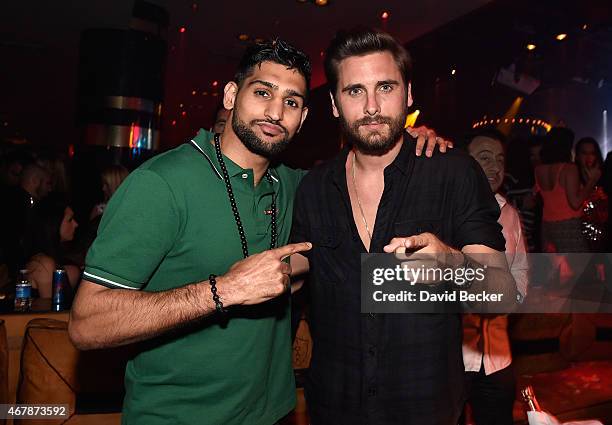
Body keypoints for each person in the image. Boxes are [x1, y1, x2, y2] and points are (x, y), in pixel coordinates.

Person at [69, 37, 447, 425]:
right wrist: (225, 290)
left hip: (275, 414)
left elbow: (362, 172)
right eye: (262, 91)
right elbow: (87, 323)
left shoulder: (301, 188)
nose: (274, 111)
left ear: (302, 118)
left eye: (292, 102)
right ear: (232, 95)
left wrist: (404, 138)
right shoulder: (162, 184)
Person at [289, 27, 518, 425]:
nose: (372, 106)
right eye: (355, 91)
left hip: (425, 407)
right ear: (334, 103)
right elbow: (296, 272)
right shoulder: (313, 189)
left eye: (386, 87)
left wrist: (450, 264)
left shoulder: (453, 173)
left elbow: (502, 293)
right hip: (334, 406)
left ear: (409, 94)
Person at [462, 129, 528, 425]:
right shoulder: (445, 209)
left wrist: (511, 298)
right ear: (464, 162)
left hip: (498, 357)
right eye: (484, 158)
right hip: (451, 358)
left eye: (500, 160)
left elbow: (521, 271)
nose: (495, 167)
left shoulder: (510, 214)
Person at [535, 127, 597, 252]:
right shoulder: (569, 169)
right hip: (569, 227)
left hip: (547, 227)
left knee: (556, 269)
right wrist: (592, 181)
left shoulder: (538, 169)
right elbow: (575, 203)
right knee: (580, 268)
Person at [23, 195, 80, 298]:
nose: (76, 224)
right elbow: (49, 311)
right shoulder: (43, 263)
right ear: (54, 223)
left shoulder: (54, 257)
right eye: (70, 219)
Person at [574, 137, 607, 251]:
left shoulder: (604, 175)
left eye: (592, 153)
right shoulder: (572, 175)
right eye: (584, 153)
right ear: (577, 155)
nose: (588, 157)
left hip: (603, 231)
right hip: (579, 231)